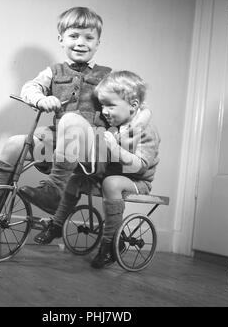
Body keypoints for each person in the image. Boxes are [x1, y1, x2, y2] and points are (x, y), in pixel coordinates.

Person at [0, 7, 151, 240]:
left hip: (94, 151)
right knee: (13, 143)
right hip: (58, 149)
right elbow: (29, 88)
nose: (81, 43)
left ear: (98, 43)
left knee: (72, 119)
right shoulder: (53, 72)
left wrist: (130, 132)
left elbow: (139, 107)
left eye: (89, 38)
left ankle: (54, 192)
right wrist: (41, 98)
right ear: (61, 39)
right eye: (74, 36)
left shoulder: (108, 76)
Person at [35, 71, 160, 269]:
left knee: (112, 183)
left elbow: (140, 166)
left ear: (133, 106)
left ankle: (110, 243)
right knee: (76, 179)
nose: (105, 111)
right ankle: (57, 224)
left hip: (137, 181)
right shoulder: (114, 127)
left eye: (111, 105)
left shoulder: (144, 131)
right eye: (102, 106)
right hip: (109, 175)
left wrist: (115, 149)